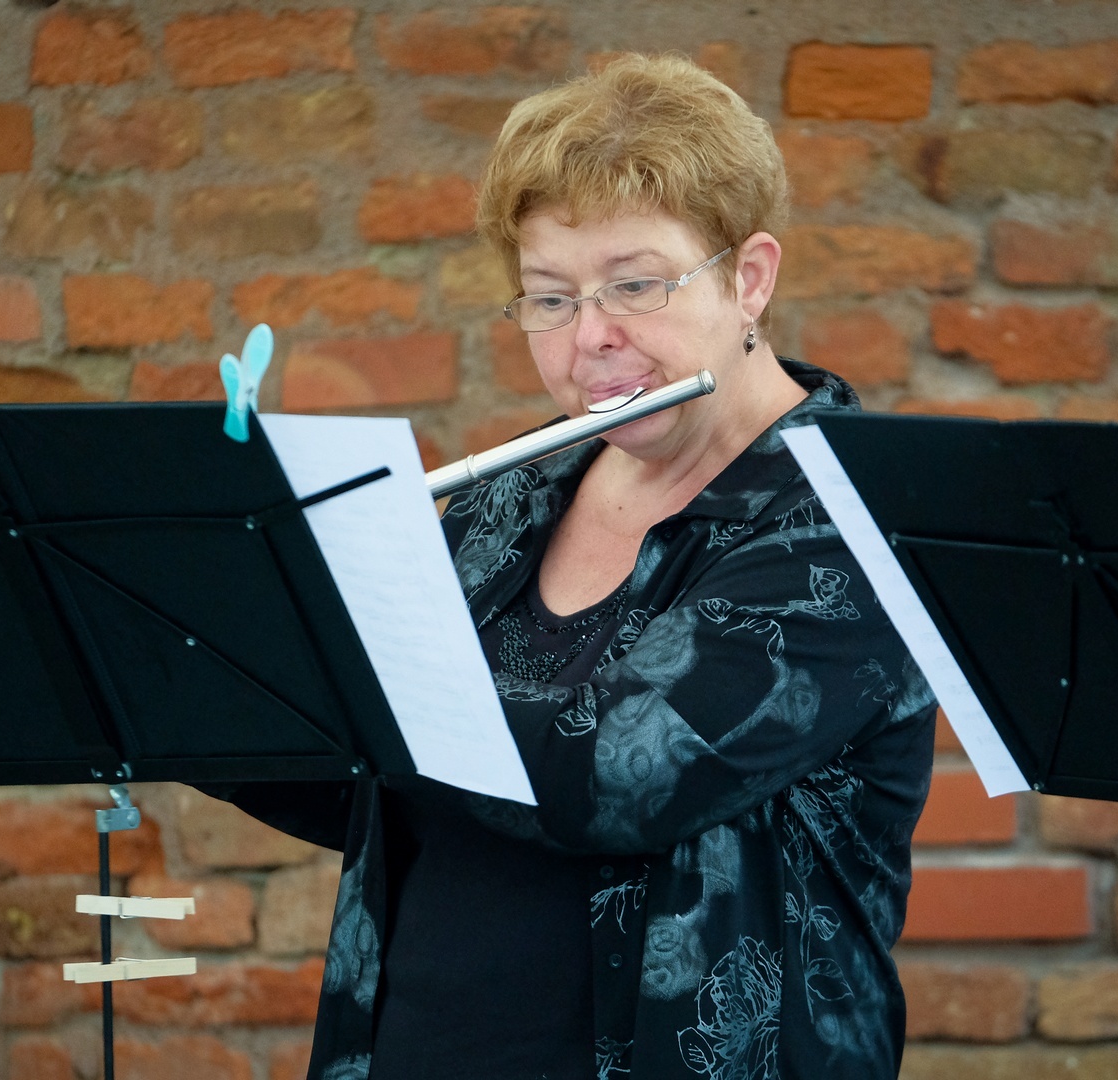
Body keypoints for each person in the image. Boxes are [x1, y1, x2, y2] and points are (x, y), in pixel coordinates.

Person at [214, 53, 936, 1080]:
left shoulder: (854, 522)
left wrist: (348, 661)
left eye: (634, 285)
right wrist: (202, 647)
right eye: (549, 299)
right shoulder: (517, 490)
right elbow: (366, 788)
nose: (591, 338)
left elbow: (612, 779)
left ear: (749, 279)